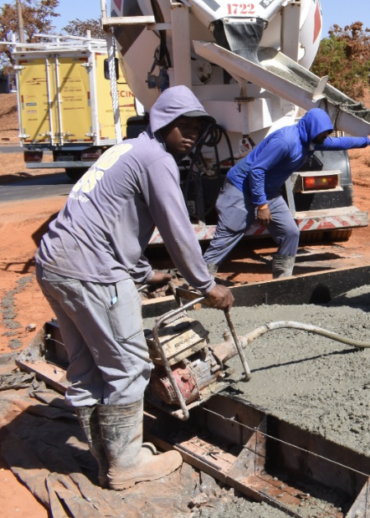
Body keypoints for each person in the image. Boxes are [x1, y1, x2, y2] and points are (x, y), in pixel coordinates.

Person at [34, 85, 235, 490]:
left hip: (55, 264)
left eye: (197, 127)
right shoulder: (157, 159)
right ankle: (126, 465)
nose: (191, 133)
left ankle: (104, 460)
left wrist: (145, 274)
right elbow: (176, 229)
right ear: (163, 122)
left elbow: (111, 220)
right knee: (128, 367)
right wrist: (206, 285)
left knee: (87, 367)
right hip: (92, 272)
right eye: (183, 125)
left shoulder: (126, 150)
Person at [202, 108, 370, 279]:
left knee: (290, 233)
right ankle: (201, 282)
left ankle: (282, 280)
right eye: (323, 134)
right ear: (313, 128)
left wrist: (368, 139)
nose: (325, 138)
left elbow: (339, 143)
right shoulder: (286, 141)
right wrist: (262, 205)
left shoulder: (312, 140)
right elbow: (257, 171)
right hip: (241, 187)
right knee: (229, 234)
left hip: (268, 190)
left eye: (327, 134)